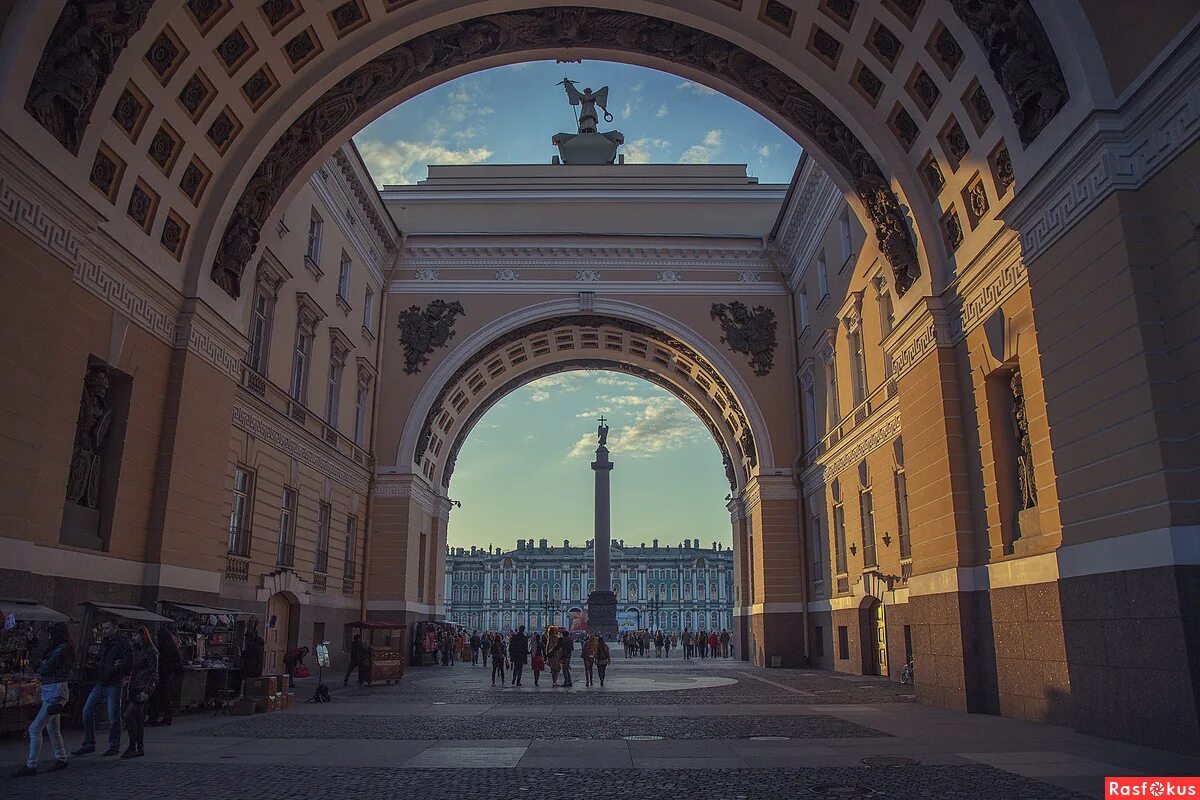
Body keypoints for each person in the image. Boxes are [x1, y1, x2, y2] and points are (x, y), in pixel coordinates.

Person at [11, 622, 74, 777]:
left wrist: (42, 664)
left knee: (35, 728)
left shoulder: (60, 649)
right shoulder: (64, 648)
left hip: (54, 690)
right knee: (52, 728)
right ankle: (62, 758)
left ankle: (31, 764)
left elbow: (46, 668)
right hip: (55, 690)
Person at [73, 619, 131, 757]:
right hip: (101, 681)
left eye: (107, 628)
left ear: (115, 628)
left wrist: (118, 668)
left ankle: (114, 746)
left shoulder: (123, 642)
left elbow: (128, 661)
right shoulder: (105, 642)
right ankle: (89, 743)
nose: (104, 631)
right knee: (87, 711)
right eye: (103, 628)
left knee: (113, 717)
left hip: (114, 682)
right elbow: (101, 658)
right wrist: (95, 663)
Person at [122, 626, 158, 759]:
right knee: (138, 719)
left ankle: (133, 746)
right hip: (134, 686)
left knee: (128, 715)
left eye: (136, 635)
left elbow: (154, 673)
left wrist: (146, 690)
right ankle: (139, 747)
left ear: (143, 636)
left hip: (142, 688)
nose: (134, 638)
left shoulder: (151, 651)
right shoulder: (136, 650)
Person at [151, 624, 181, 726]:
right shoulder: (167, 647)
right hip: (164, 675)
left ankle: (164, 717)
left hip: (165, 675)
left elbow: (177, 663)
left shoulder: (167, 648)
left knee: (163, 696)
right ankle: (161, 717)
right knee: (161, 696)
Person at [241, 617, 265, 683]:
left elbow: (245, 654)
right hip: (257, 669)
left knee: (249, 682)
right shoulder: (260, 646)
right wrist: (255, 627)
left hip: (251, 668)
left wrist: (242, 653)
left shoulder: (252, 646)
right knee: (254, 683)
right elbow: (255, 636)